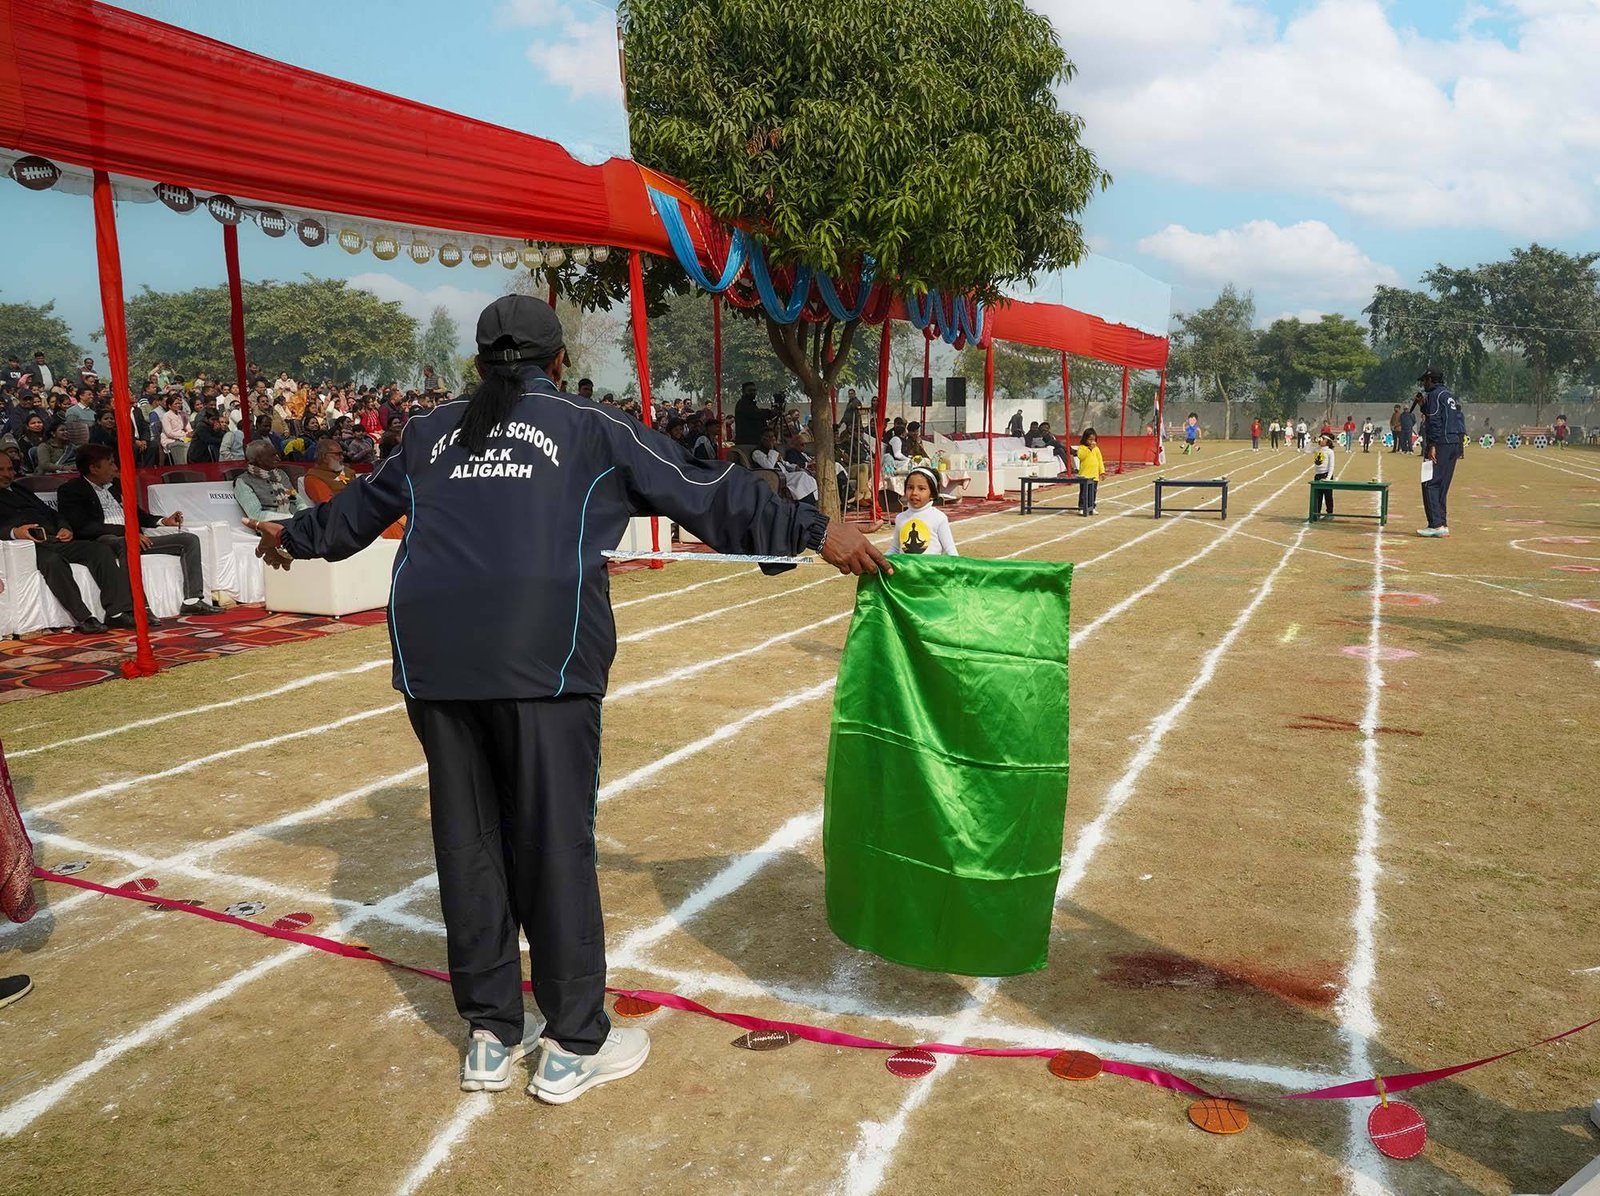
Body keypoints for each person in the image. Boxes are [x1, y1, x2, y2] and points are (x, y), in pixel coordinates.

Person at [249, 295, 889, 1103]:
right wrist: (812, 529)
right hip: (542, 661)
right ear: (558, 362)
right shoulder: (590, 426)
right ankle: (574, 1041)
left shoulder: (428, 431)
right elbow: (703, 488)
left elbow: (353, 512)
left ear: (478, 364)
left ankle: (490, 1033)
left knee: (469, 844)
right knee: (553, 843)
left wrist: (293, 535)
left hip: (436, 658)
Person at [58, 445, 221, 616]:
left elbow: (138, 515)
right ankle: (140, 608)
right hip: (104, 540)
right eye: (110, 463)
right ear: (94, 468)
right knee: (126, 543)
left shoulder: (115, 485)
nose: (116, 468)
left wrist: (163, 521)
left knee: (189, 540)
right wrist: (127, 532)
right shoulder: (71, 490)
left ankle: (192, 601)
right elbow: (83, 526)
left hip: (136, 537)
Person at [0, 453, 133, 632]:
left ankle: (117, 612)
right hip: (26, 546)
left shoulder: (19, 489)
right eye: (1, 470)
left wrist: (64, 527)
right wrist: (15, 532)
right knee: (53, 561)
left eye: (9, 469)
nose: (7, 474)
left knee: (99, 550)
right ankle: (83, 618)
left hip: (54, 538)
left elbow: (52, 513)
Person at [1416, 368, 1465, 539]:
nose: (1423, 384)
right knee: (1442, 485)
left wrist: (1432, 445)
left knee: (1429, 483)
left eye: (1425, 380)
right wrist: (1423, 407)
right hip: (1453, 442)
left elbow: (1435, 421)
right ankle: (1442, 523)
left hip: (1441, 443)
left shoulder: (1434, 395)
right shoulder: (1448, 395)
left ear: (1431, 380)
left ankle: (1435, 524)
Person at [234, 440, 310, 523]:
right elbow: (256, 515)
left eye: (276, 454)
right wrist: (292, 518)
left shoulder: (281, 474)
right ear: (259, 460)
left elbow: (295, 498)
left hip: (295, 522)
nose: (278, 458)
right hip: (273, 527)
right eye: (272, 456)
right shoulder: (243, 481)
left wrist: (305, 514)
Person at [891, 465, 957, 555]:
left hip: (930, 565)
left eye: (921, 489)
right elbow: (895, 549)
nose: (914, 493)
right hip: (907, 564)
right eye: (910, 488)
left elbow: (950, 549)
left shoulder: (939, 518)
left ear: (932, 494)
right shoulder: (900, 518)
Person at [1074, 428, 1106, 516]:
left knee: (1093, 492)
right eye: (1090, 439)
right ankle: (1081, 507)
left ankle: (1092, 507)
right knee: (1084, 492)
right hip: (1084, 475)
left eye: (1093, 440)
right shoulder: (1082, 448)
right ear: (1085, 439)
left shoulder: (1096, 449)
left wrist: (1102, 472)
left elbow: (1100, 460)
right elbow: (1081, 456)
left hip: (1094, 475)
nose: (1092, 442)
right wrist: (1089, 449)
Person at [733, 381, 764, 450]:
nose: (753, 392)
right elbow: (756, 414)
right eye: (750, 390)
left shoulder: (751, 405)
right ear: (743, 392)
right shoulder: (743, 404)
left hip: (753, 441)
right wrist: (769, 413)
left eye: (754, 390)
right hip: (746, 442)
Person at [1312, 433, 1336, 519]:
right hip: (1317, 476)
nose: (1320, 440)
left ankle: (1329, 513)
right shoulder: (1317, 449)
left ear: (1328, 441)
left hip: (1326, 475)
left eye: (1323, 438)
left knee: (1328, 496)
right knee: (1317, 497)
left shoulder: (1330, 452)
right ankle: (1316, 513)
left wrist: (1328, 478)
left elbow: (1331, 466)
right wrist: (1311, 442)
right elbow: (1305, 450)